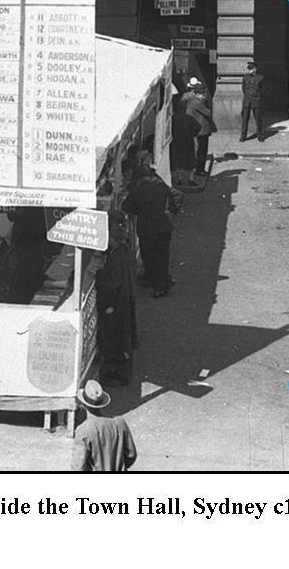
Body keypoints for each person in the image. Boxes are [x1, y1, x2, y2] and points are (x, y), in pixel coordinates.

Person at [122, 164, 179, 297]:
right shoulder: (160, 184)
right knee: (162, 257)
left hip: (147, 229)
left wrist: (139, 211)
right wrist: (171, 211)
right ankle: (162, 281)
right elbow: (178, 195)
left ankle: (160, 286)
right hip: (164, 226)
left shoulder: (137, 190)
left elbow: (127, 206)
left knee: (150, 257)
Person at [95, 211, 136, 387]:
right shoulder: (123, 252)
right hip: (121, 300)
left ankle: (118, 375)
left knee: (114, 338)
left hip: (114, 304)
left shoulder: (116, 257)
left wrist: (97, 275)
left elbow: (111, 283)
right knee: (119, 337)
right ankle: (118, 371)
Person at [71, 380, 137, 472]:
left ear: (83, 405)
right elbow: (131, 455)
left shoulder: (83, 430)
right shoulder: (119, 422)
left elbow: (78, 467)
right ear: (102, 403)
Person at [181, 78, 215, 177]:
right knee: (201, 151)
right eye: (203, 93)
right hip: (201, 130)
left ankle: (198, 168)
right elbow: (208, 112)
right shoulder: (198, 102)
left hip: (198, 129)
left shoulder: (191, 100)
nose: (204, 95)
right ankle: (199, 169)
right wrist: (206, 102)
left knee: (198, 150)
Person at [169, 98, 199, 186]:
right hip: (188, 142)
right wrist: (193, 134)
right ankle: (190, 178)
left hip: (176, 142)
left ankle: (179, 178)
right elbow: (198, 126)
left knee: (177, 161)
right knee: (190, 161)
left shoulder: (172, 119)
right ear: (185, 109)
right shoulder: (189, 118)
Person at [240, 61, 265, 142]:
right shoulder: (245, 77)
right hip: (247, 101)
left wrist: (258, 98)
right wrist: (247, 96)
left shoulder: (260, 77)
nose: (250, 70)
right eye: (249, 69)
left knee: (258, 119)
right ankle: (243, 136)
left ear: (255, 69)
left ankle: (260, 135)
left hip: (256, 100)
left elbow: (262, 90)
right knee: (245, 119)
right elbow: (243, 88)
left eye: (251, 69)